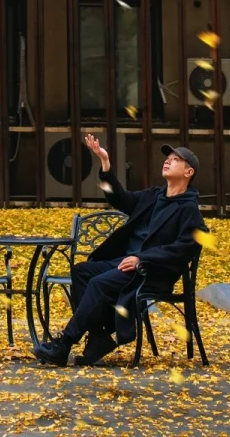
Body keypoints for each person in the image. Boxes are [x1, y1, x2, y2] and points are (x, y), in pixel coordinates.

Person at [33, 135, 207, 368]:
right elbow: (119, 198)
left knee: (97, 283)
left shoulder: (188, 208)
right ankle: (99, 336)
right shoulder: (153, 196)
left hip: (149, 271)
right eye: (168, 158)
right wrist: (105, 165)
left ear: (188, 173)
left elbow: (187, 246)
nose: (167, 161)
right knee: (82, 272)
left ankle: (64, 344)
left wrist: (141, 259)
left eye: (176, 160)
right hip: (125, 263)